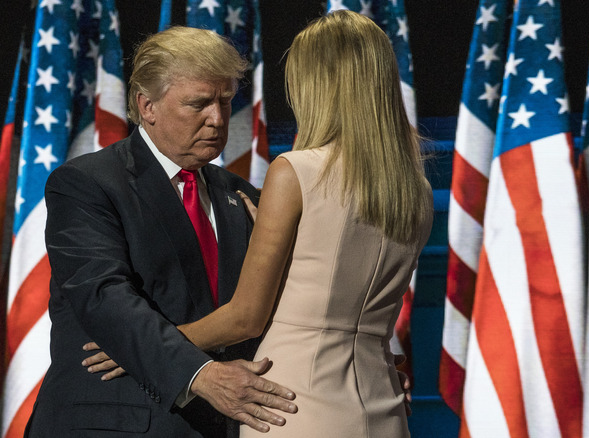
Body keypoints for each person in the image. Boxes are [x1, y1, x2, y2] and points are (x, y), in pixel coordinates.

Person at [87, 10, 433, 437]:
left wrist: (145, 349)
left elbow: (247, 317)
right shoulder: (413, 188)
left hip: (292, 403)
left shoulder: (295, 172)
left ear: (315, 85)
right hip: (381, 398)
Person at [24, 26, 298, 437]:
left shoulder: (242, 195)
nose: (218, 118)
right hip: (115, 422)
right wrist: (200, 374)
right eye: (199, 103)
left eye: (225, 101)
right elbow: (105, 299)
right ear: (146, 105)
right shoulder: (86, 183)